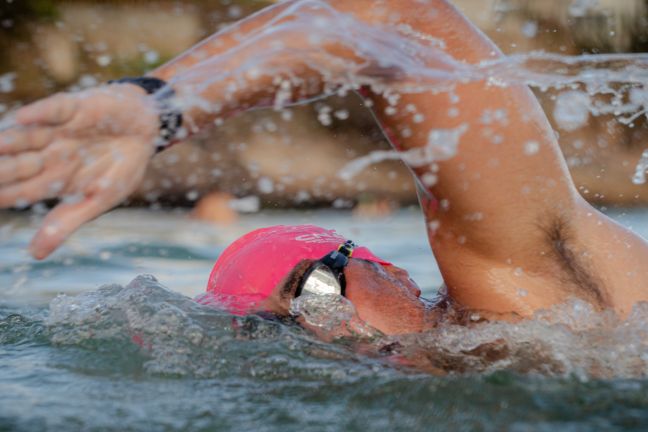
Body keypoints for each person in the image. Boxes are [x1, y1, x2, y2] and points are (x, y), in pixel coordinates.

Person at [1, 0, 648, 337]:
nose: (328, 336)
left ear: (390, 271)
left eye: (315, 294)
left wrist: (160, 104)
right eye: (278, 339)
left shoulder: (521, 284)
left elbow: (395, 21)